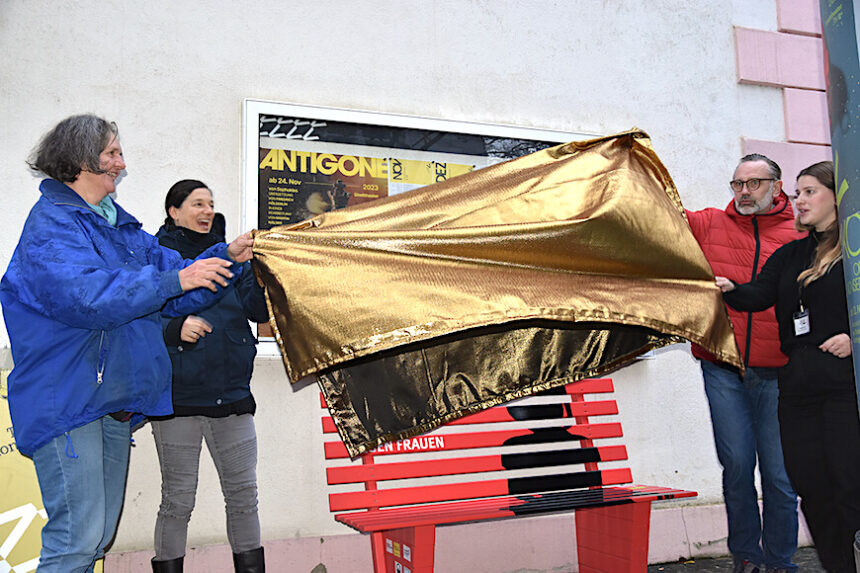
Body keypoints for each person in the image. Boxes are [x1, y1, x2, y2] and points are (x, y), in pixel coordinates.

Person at [0, 114, 253, 573]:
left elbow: (181, 285)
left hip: (114, 404)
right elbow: (87, 298)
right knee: (75, 540)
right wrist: (175, 279)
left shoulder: (122, 229)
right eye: (112, 153)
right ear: (80, 159)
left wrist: (227, 257)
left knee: (96, 539)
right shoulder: (53, 225)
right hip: (70, 401)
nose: (121, 162)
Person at [719, 161, 860, 572]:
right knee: (810, 486)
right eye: (798, 192)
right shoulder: (791, 253)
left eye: (810, 191)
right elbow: (759, 294)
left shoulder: (854, 249)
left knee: (847, 485)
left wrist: (855, 339)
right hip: (797, 388)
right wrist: (729, 289)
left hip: (842, 388)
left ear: (839, 196)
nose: (799, 200)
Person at [686, 154, 802, 573]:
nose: (744, 192)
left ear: (777, 184)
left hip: (779, 371)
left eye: (754, 183)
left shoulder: (800, 233)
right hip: (722, 367)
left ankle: (781, 561)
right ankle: (747, 557)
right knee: (737, 467)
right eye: (738, 184)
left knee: (779, 477)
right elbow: (655, 219)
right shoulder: (709, 223)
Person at [150, 180, 268, 573]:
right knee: (178, 501)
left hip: (232, 395)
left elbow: (258, 311)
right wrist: (174, 328)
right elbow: (136, 315)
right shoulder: (157, 255)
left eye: (211, 204)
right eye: (196, 204)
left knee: (243, 495)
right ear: (174, 211)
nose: (206, 211)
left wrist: (265, 277)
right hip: (179, 399)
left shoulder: (235, 257)